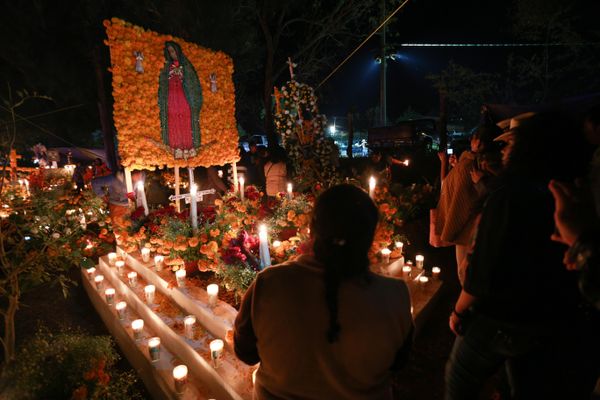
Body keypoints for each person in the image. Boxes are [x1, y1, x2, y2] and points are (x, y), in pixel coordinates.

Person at [445, 112, 598, 399]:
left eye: (510, 144)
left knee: (460, 381)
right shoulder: (576, 198)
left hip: (498, 319)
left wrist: (458, 310)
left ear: (529, 149)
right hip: (548, 324)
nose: (503, 150)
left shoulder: (508, 197)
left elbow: (482, 272)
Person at [234, 184, 413, 400]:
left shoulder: (269, 283)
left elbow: (245, 352)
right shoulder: (395, 296)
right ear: (371, 237)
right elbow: (399, 362)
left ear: (311, 228)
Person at [433, 124, 502, 284]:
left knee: (465, 274)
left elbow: (460, 200)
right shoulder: (484, 164)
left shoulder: (472, 166)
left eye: (474, 137)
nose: (471, 140)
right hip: (480, 227)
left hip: (468, 230)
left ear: (479, 143)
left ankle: (465, 307)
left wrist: (450, 228)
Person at [158, 41, 203, 159]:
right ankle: (176, 147)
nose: (172, 54)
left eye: (173, 51)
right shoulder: (167, 67)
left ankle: (188, 147)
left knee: (185, 119)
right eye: (169, 52)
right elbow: (163, 84)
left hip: (184, 96)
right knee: (173, 120)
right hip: (172, 98)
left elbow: (193, 83)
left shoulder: (186, 66)